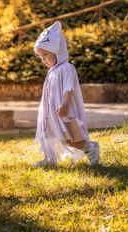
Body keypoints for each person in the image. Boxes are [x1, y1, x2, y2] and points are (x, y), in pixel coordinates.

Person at [32, 21, 100, 167]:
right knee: (48, 135)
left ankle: (90, 149)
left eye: (45, 54)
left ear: (58, 52)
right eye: (40, 56)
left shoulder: (67, 68)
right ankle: (50, 158)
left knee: (70, 137)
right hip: (50, 112)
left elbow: (68, 89)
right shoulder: (52, 71)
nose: (43, 59)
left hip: (63, 111)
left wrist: (64, 105)